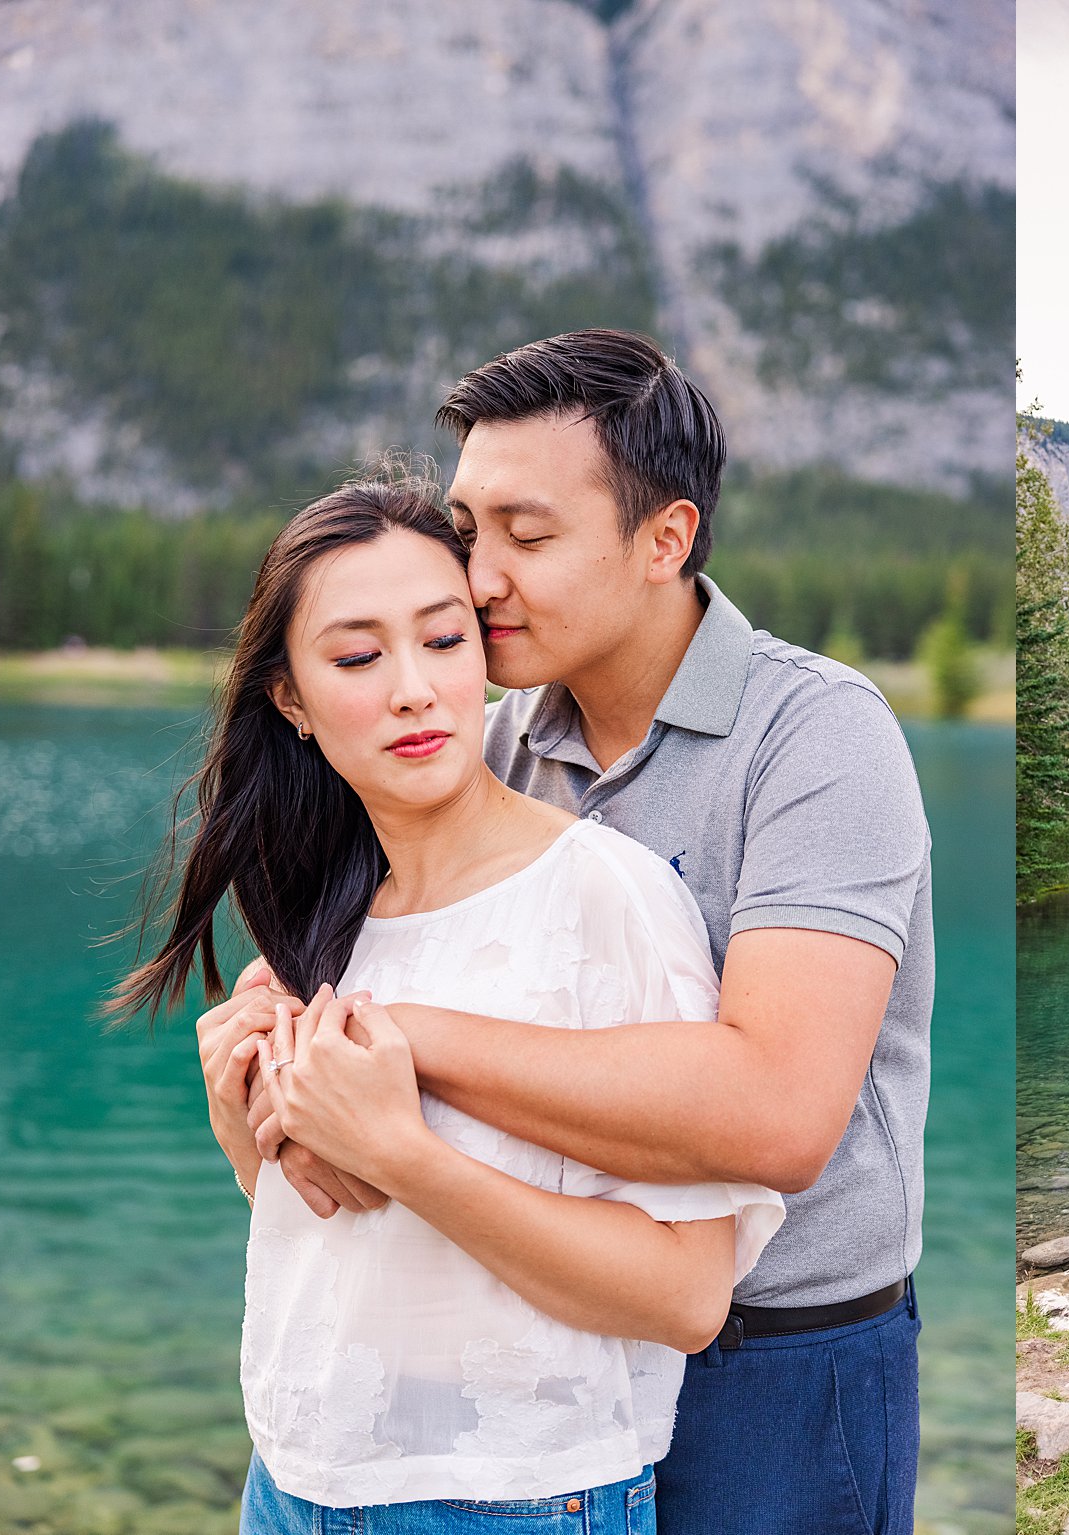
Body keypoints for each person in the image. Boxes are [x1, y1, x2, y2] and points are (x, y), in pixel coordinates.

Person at [242, 331, 934, 1534]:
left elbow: (778, 1113)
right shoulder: (488, 742)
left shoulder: (815, 735)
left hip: (777, 1361)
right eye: (467, 531)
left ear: (663, 539)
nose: (480, 575)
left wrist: (400, 1037)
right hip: (552, 1348)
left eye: (529, 533)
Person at [120, 475, 783, 1529]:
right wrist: (246, 1131)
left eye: (443, 641)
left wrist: (407, 1154)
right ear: (287, 697)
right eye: (354, 657)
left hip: (517, 1493)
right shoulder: (322, 910)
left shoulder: (602, 896)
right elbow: (360, 1250)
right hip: (295, 1480)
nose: (414, 689)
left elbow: (686, 1297)